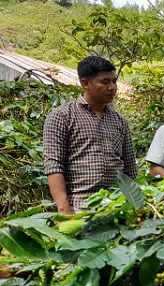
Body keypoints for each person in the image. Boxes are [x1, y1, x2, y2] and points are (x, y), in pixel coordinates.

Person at [43, 56, 137, 215]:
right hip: (80, 207)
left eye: (114, 81)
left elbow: (130, 169)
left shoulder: (120, 122)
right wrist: (64, 210)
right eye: (105, 82)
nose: (112, 87)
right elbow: (54, 165)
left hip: (118, 206)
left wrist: (134, 205)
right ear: (85, 83)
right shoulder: (62, 117)